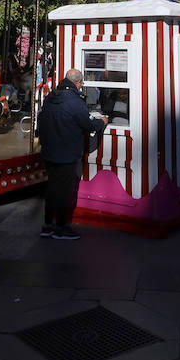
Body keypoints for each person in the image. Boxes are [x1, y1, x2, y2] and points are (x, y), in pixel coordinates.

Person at [36, 68, 106, 240]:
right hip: (67, 153)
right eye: (82, 83)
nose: (82, 86)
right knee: (64, 191)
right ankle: (61, 228)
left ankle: (47, 226)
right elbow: (88, 124)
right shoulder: (75, 101)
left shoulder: (51, 97)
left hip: (49, 151)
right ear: (78, 83)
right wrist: (102, 122)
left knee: (52, 188)